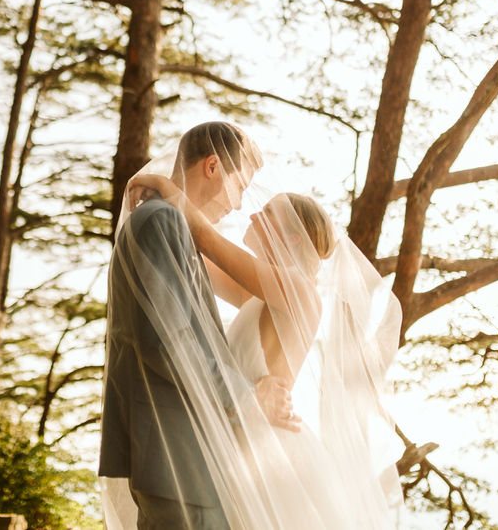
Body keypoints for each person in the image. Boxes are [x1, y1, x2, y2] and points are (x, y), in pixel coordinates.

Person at [124, 172, 404, 528]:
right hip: (236, 432)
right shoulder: (257, 294)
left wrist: (163, 185)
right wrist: (155, 214)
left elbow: (207, 240)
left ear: (292, 236)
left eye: (267, 213)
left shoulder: (300, 292)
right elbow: (194, 258)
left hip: (267, 450)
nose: (253, 214)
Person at [98, 121, 300, 530]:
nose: (241, 205)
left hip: (186, 458)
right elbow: (166, 344)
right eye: (240, 185)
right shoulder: (160, 223)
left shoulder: (172, 227)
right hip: (180, 456)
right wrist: (248, 397)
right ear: (212, 167)